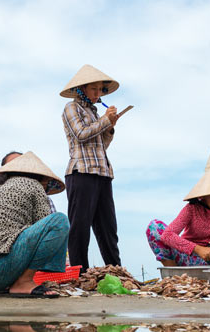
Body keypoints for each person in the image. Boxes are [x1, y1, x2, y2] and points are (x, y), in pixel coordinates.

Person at [0, 151, 70, 297]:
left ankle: (10, 283)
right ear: (38, 176)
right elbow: (45, 228)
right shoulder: (34, 185)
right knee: (59, 221)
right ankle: (23, 283)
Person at [60, 64, 122, 269]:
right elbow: (81, 134)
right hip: (81, 172)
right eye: (94, 89)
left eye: (100, 90)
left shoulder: (94, 112)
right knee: (80, 227)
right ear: (82, 89)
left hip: (102, 172)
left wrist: (110, 125)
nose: (98, 94)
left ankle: (116, 270)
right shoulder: (72, 108)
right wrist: (105, 121)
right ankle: (79, 273)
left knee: (108, 228)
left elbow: (101, 144)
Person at [146, 168, 210, 267]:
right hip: (186, 257)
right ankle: (172, 274)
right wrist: (198, 249)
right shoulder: (192, 209)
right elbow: (167, 235)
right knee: (154, 226)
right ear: (203, 196)